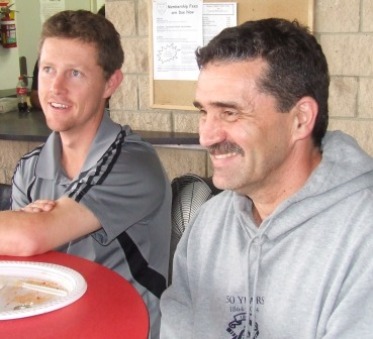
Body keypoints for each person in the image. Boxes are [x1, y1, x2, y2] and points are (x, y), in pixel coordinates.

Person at [160, 18, 373, 338]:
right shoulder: (210, 220)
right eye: (203, 112)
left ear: (300, 120)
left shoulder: (362, 236)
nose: (206, 136)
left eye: (229, 112)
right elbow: (178, 320)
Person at [0, 10, 171, 338]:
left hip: (125, 328)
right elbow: (19, 258)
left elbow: (27, 238)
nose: (56, 88)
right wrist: (24, 230)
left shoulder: (133, 163)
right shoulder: (31, 167)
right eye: (48, 70)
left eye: (75, 73)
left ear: (111, 83)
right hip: (56, 325)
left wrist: (31, 229)